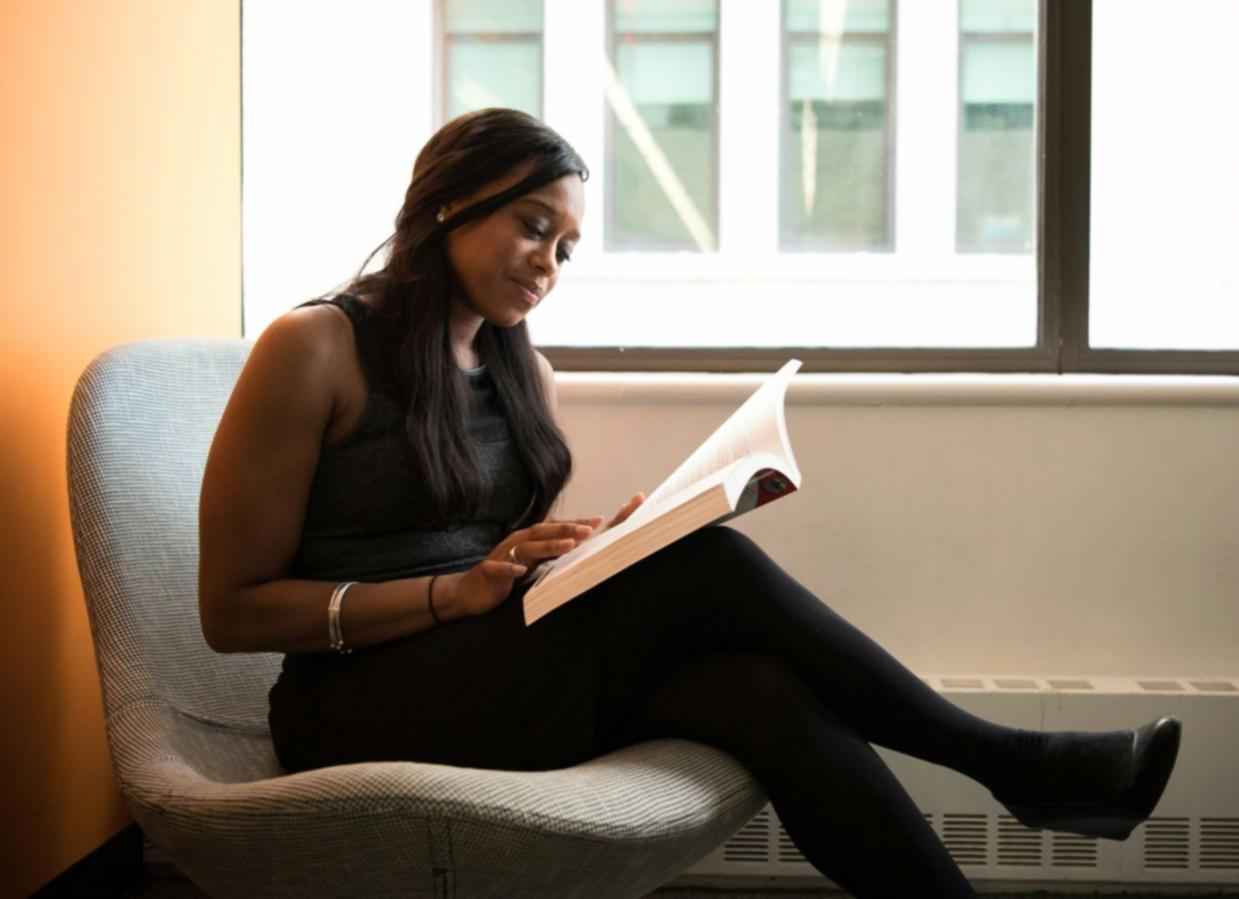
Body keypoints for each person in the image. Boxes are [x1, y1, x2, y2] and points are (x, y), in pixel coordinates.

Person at [197, 107, 1182, 898]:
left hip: (477, 676)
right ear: (448, 204)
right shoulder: (316, 347)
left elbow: (484, 560)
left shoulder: (520, 371)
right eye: (533, 226)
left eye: (567, 247)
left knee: (754, 689)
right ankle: (1010, 762)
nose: (548, 263)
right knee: (704, 570)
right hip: (350, 703)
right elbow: (231, 609)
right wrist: (445, 596)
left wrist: (575, 552)